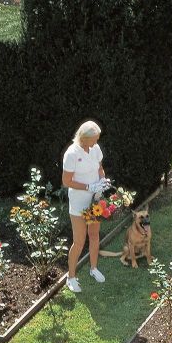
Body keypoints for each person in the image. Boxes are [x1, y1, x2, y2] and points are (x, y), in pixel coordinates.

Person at [62, 120, 109, 292]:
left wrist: (102, 181)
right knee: (79, 241)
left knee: (94, 235)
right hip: (79, 202)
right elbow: (66, 181)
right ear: (84, 138)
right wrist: (88, 187)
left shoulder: (95, 149)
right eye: (94, 139)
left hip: (95, 201)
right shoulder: (72, 154)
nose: (97, 142)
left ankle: (94, 268)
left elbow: (100, 169)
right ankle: (71, 276)